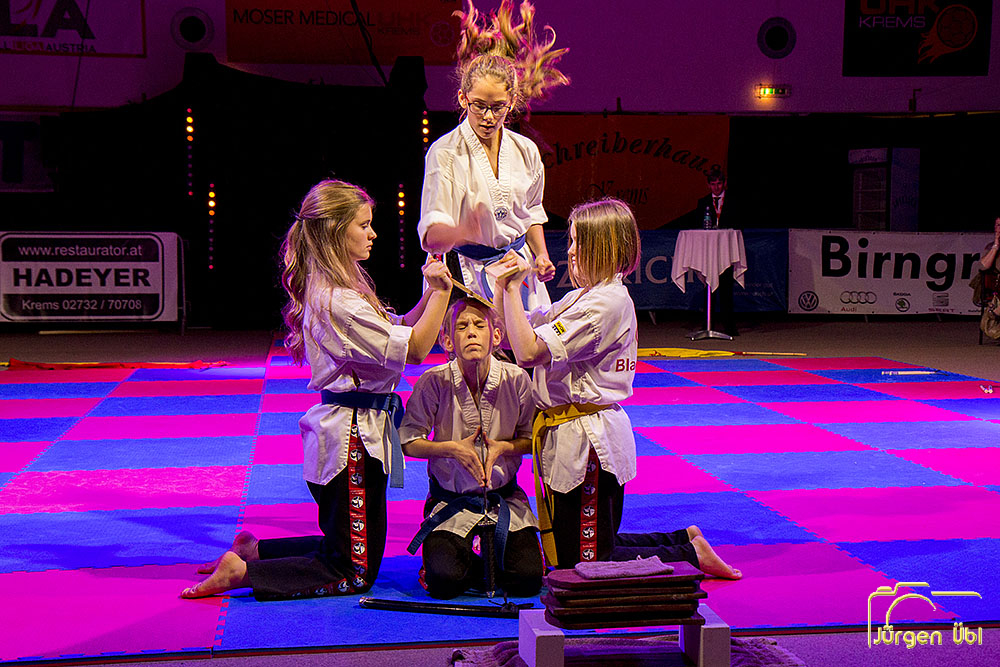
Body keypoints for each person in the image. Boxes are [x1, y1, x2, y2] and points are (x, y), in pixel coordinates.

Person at [181, 179, 453, 600]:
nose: (373, 233)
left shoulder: (342, 291)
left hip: (355, 434)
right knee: (354, 571)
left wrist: (430, 290)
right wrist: (444, 292)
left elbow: (400, 329)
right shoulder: (339, 301)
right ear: (335, 231)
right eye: (363, 225)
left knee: (347, 548)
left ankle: (254, 551)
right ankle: (243, 573)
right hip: (352, 442)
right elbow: (416, 349)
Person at [495, 198, 741, 579]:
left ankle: (688, 554)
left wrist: (513, 288)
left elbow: (527, 352)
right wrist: (502, 286)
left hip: (588, 446)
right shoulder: (585, 296)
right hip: (570, 437)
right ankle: (684, 540)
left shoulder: (604, 305)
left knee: (586, 562)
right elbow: (514, 331)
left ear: (601, 247)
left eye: (577, 242)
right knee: (579, 549)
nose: (569, 251)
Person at [418, 0, 568, 310]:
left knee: (525, 341)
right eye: (479, 106)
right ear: (463, 98)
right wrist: (463, 231)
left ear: (511, 102)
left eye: (498, 107)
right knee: (476, 342)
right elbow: (431, 237)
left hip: (517, 267)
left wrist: (541, 255)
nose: (488, 116)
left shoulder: (525, 151)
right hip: (465, 271)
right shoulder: (445, 154)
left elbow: (531, 213)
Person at [399, 297, 543, 599]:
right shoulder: (433, 381)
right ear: (447, 340)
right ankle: (472, 563)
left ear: (497, 336)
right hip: (451, 501)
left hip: (505, 501)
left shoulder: (516, 379)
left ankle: (487, 560)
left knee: (528, 580)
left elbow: (533, 438)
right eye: (462, 327)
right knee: (445, 582)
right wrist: (451, 449)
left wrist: (504, 447)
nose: (472, 332)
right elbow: (408, 441)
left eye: (479, 325)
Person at [699, 166, 738, 336]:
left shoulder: (733, 202)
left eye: (719, 183)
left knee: (726, 289)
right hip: (709, 253)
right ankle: (708, 324)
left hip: (726, 251)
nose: (716, 187)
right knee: (709, 288)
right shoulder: (703, 202)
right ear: (709, 185)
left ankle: (729, 326)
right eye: (713, 184)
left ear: (724, 183)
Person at [977, 216, 1000, 340]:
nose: (999, 228)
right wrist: (996, 245)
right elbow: (983, 267)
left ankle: (997, 312)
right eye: (997, 225)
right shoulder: (991, 247)